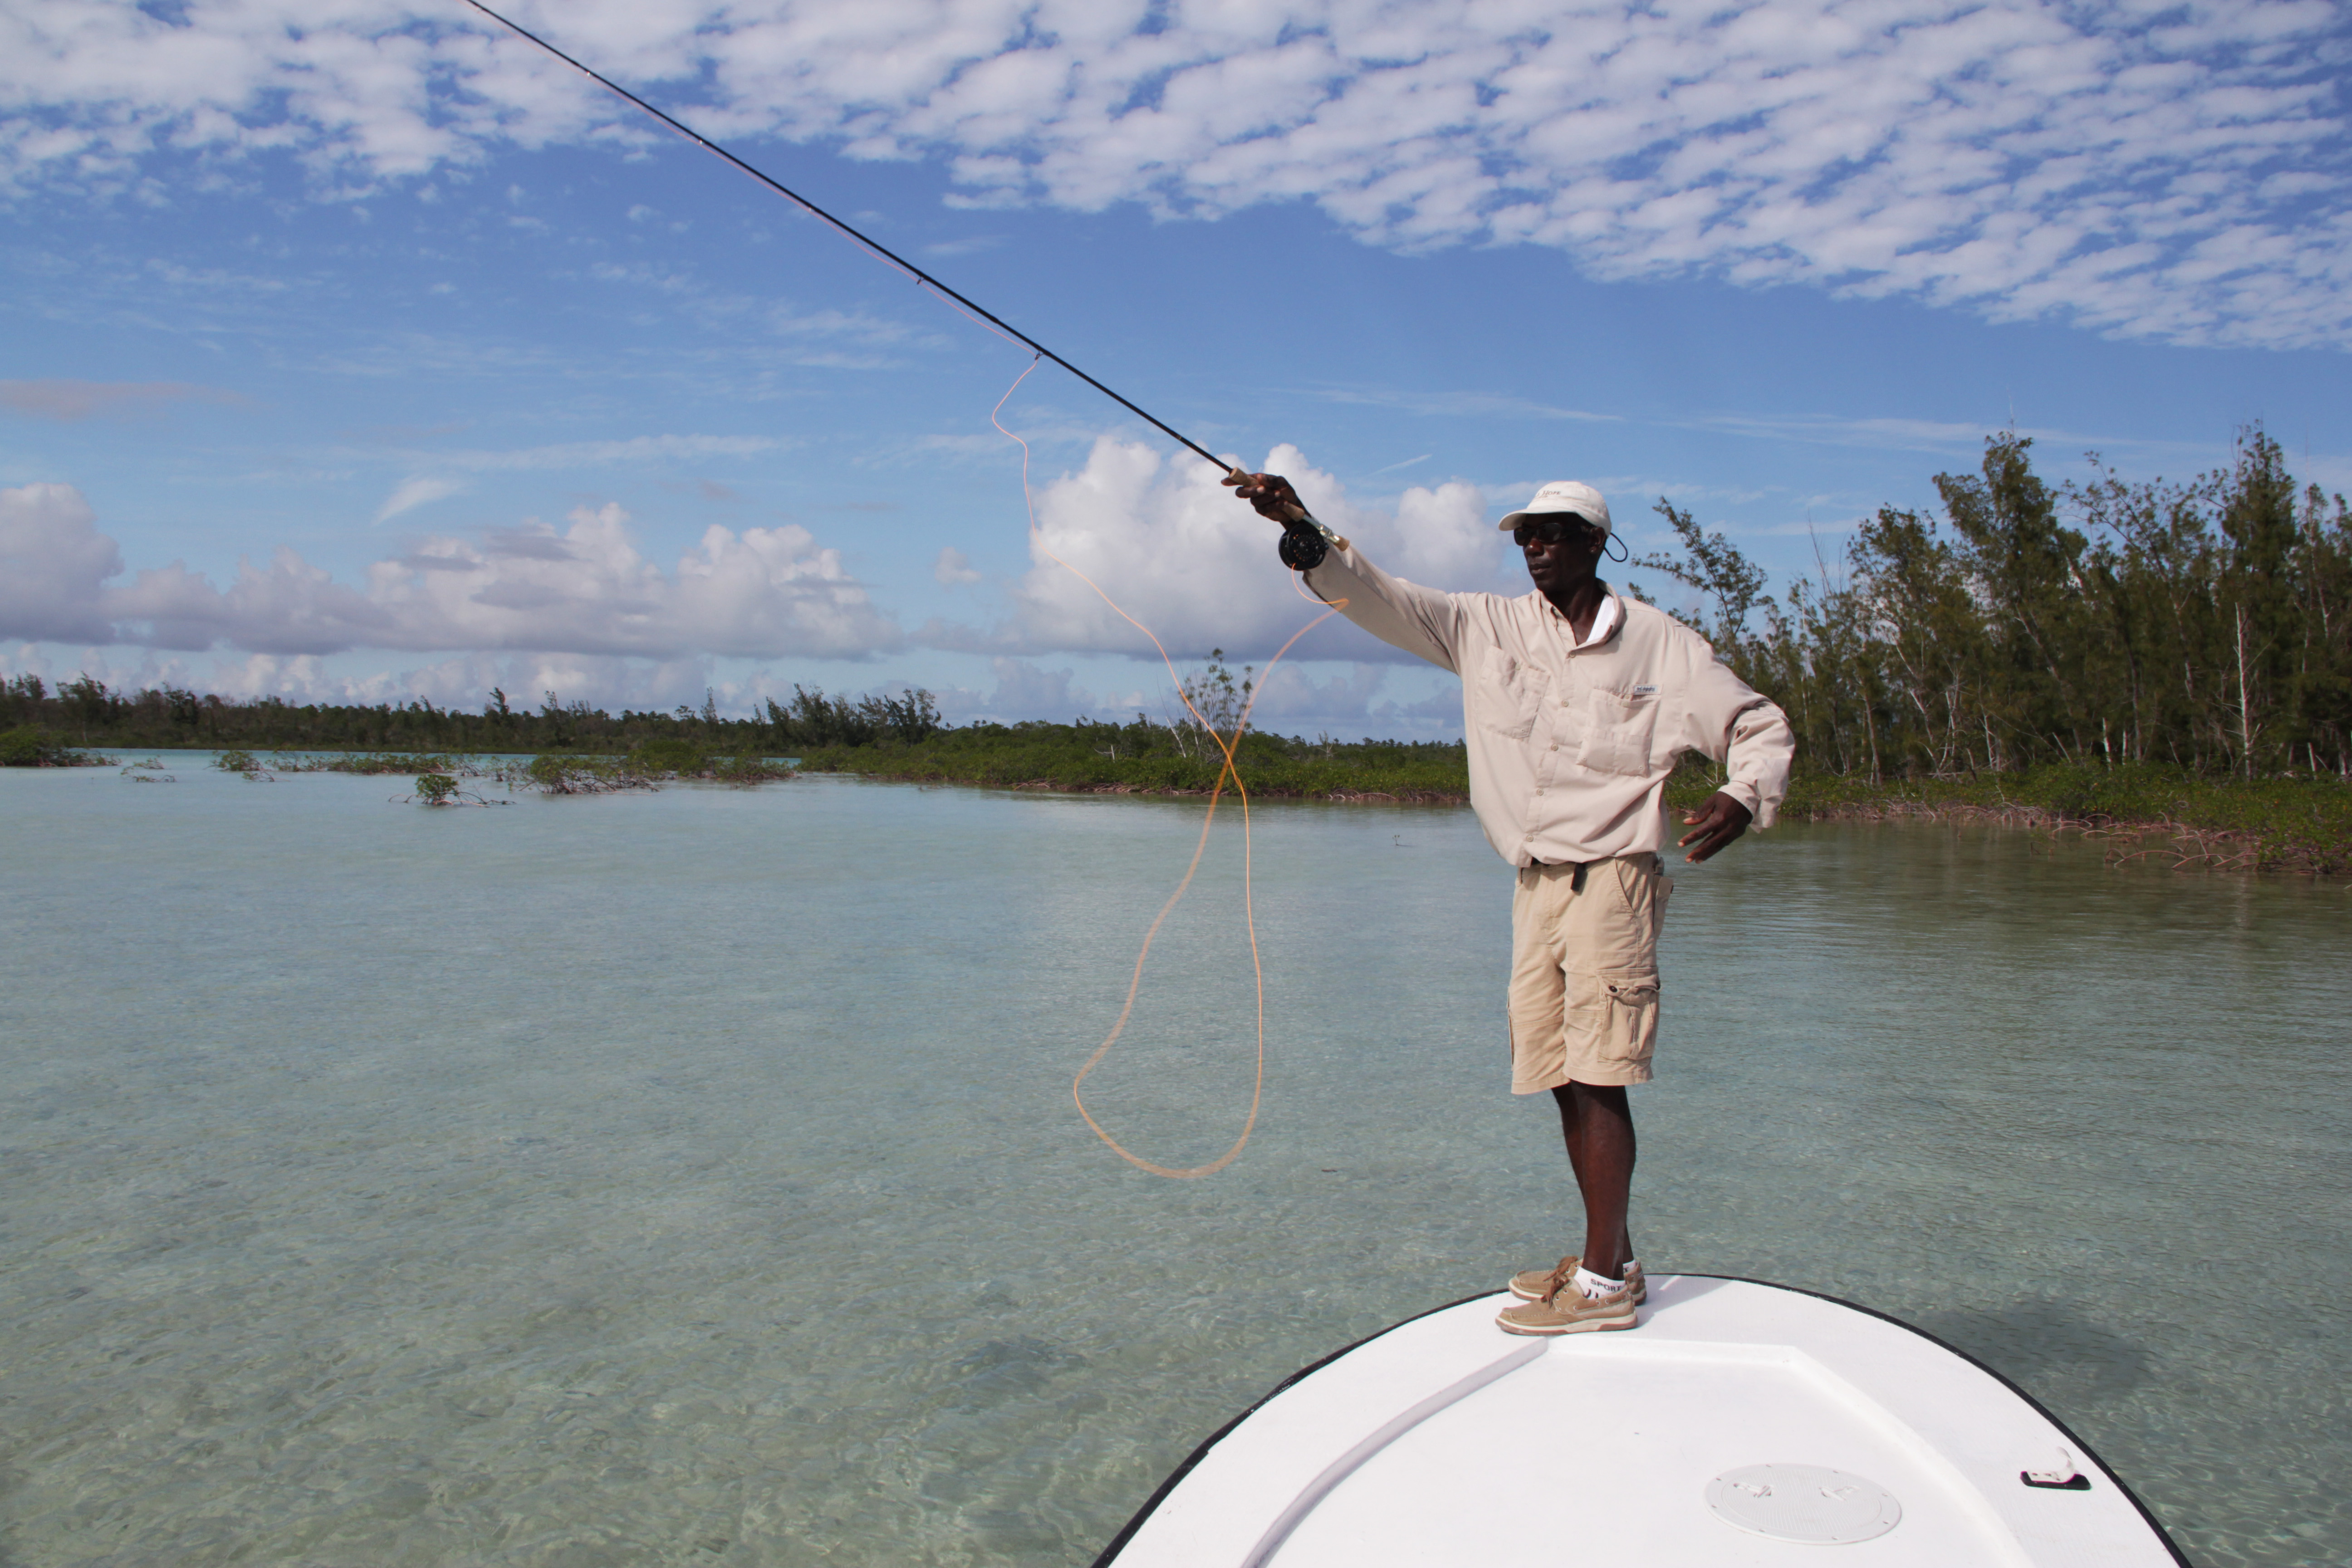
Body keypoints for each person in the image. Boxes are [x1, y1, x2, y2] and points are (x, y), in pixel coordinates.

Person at [1226, 470, 1793, 1335]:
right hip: (1534, 883)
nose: (1536, 547)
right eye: (1526, 535)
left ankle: (1603, 1286)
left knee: (1602, 1077)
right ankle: (1618, 1257)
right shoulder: (1483, 627)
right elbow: (1376, 595)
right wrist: (1300, 523)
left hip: (1613, 879)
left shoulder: (1662, 647)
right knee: (1564, 1076)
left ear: (1597, 543)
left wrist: (1744, 795)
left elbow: (1758, 725)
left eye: (1556, 534)